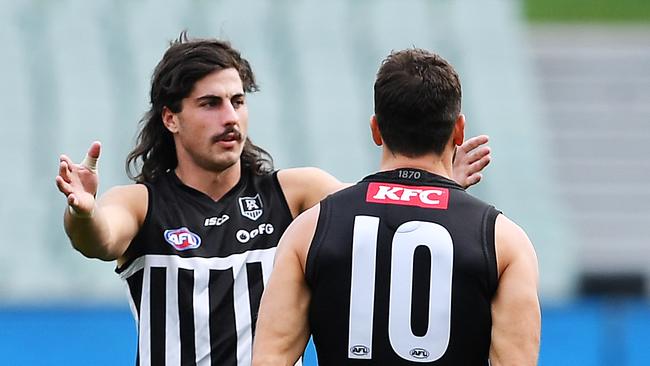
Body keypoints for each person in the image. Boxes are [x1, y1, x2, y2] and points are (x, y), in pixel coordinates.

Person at [55, 33, 491, 366]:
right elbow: (100, 239)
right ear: (170, 117)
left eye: (237, 101)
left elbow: (382, 218)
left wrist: (437, 186)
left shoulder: (295, 192)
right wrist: (84, 213)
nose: (229, 117)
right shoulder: (140, 203)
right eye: (210, 104)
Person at [252, 48, 540, 366]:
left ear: (376, 129)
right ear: (458, 129)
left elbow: (270, 357)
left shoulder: (310, 229)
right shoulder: (504, 241)